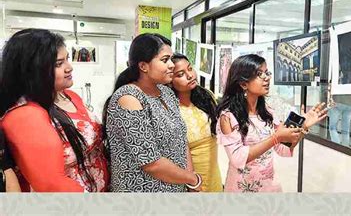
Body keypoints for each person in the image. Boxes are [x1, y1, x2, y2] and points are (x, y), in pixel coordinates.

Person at [0, 29, 109, 192]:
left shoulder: (69, 96)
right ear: (32, 70)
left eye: (67, 59)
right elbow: (52, 184)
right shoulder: (24, 116)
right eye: (59, 64)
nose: (69, 68)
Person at [103, 33, 202, 192]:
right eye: (165, 60)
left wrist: (190, 181)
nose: (172, 65)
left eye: (171, 58)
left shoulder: (166, 92)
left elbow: (181, 140)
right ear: (143, 66)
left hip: (176, 187)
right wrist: (193, 179)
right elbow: (151, 163)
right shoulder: (129, 98)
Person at [214, 54, 327, 192]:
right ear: (243, 84)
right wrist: (275, 138)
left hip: (269, 186)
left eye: (267, 72)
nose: (266, 78)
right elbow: (237, 159)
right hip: (242, 189)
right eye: (259, 74)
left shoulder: (268, 112)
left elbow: (283, 149)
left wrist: (302, 127)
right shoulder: (228, 117)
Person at [171, 53, 223, 192]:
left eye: (190, 68)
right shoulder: (170, 109)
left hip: (214, 176)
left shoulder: (207, 96)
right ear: (170, 80)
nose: (190, 75)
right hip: (190, 182)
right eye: (180, 74)